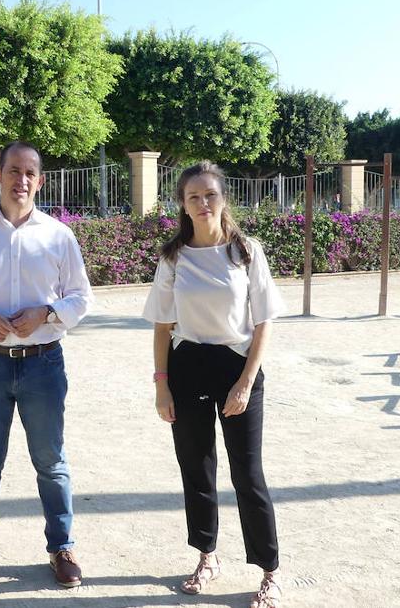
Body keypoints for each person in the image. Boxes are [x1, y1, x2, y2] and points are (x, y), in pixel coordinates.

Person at [0, 140, 94, 592]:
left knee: (51, 462)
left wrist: (46, 313)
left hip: (43, 365)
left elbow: (82, 297)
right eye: (13, 171)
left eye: (30, 173)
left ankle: (61, 547)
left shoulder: (58, 235)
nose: (21, 180)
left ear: (40, 180)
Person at [143, 161, 286, 608]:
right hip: (188, 367)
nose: (203, 203)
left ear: (223, 200)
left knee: (248, 474)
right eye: (193, 197)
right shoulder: (173, 257)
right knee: (197, 467)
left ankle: (269, 571)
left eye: (210, 195)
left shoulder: (246, 252)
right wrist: (162, 386)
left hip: (237, 366)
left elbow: (263, 322)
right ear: (183, 206)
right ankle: (207, 556)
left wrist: (245, 383)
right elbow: (162, 326)